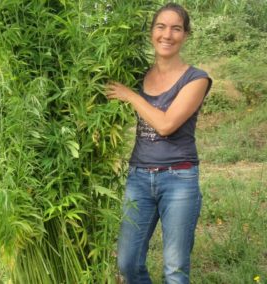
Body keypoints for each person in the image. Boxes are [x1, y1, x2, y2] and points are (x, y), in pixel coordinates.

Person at [106, 3, 212, 283]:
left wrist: (131, 95)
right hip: (138, 177)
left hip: (179, 178)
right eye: (160, 26)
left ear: (186, 35)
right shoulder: (139, 74)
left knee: (175, 270)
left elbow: (166, 125)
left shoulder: (196, 78)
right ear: (151, 32)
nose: (167, 34)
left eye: (176, 28)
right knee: (128, 264)